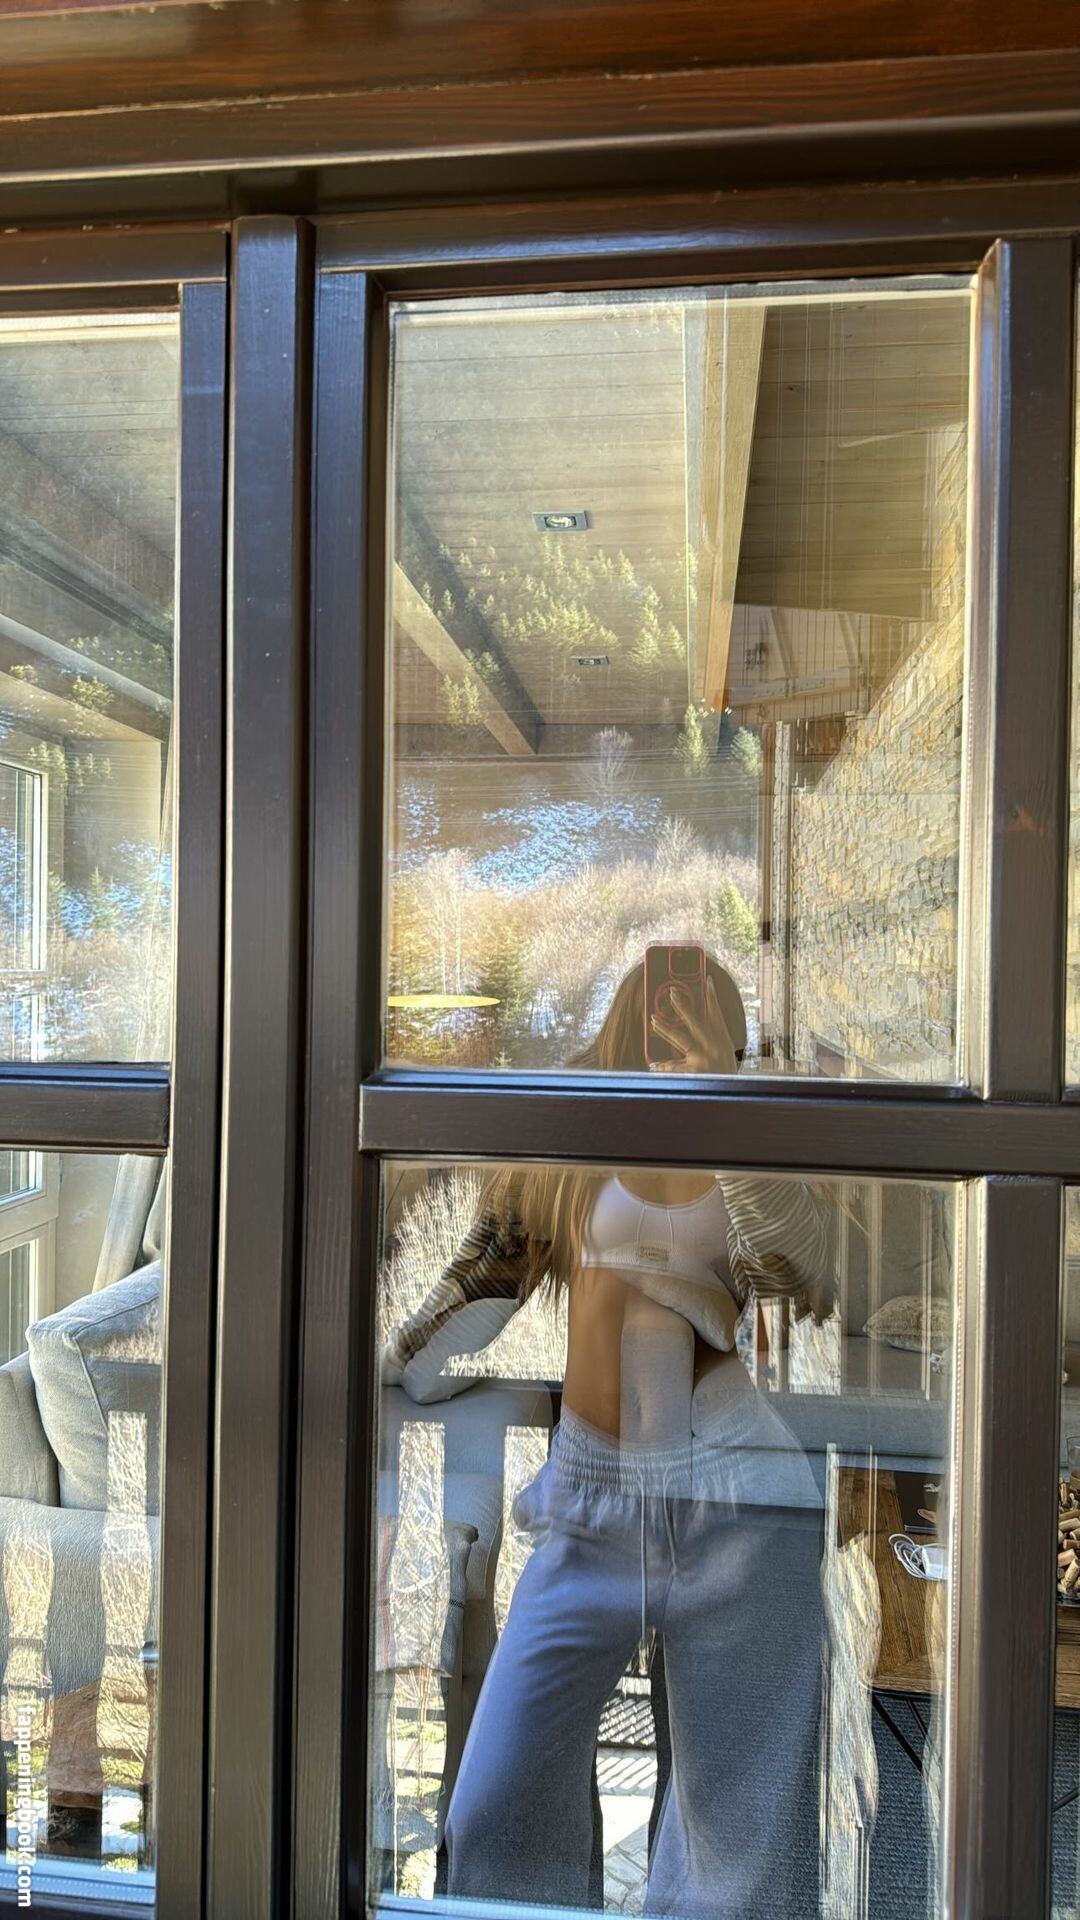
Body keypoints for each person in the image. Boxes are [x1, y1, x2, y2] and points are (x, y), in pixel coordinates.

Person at [380, 955, 833, 1919]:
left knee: (732, 1835)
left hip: (738, 1499)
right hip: (592, 1501)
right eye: (660, 997)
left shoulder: (755, 1131)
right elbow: (478, 1287)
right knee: (497, 1800)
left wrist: (726, 1103)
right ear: (627, 1008)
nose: (676, 1014)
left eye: (700, 1002)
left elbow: (800, 1279)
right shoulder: (573, 1128)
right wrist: (388, 1366)